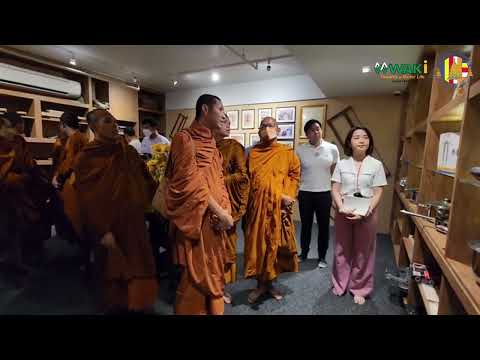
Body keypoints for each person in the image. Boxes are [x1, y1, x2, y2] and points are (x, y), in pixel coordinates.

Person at [73, 109, 159, 314]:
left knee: (138, 264)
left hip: (134, 220)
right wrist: (102, 230)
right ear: (94, 127)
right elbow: (87, 199)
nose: (114, 125)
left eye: (114, 121)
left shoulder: (127, 151)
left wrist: (150, 204)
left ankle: (137, 305)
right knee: (113, 271)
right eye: (107, 121)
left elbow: (145, 180)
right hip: (108, 225)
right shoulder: (86, 158)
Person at [165, 94, 233, 315]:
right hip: (195, 220)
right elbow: (191, 183)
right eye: (220, 109)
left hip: (215, 221)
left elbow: (218, 180)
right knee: (194, 274)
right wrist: (219, 211)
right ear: (205, 109)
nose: (223, 114)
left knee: (213, 271)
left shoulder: (212, 143)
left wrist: (226, 210)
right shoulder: (184, 139)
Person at [243, 116, 300, 304]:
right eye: (263, 126)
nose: (267, 128)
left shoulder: (287, 153)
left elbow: (294, 175)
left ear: (279, 130)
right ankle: (261, 284)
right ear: (259, 131)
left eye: (271, 125)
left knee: (275, 245)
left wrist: (287, 195)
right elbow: (246, 180)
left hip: (278, 208)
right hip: (256, 209)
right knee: (257, 246)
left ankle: (271, 283)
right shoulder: (252, 153)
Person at [331, 126, 387, 305]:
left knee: (364, 252)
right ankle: (340, 284)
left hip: (367, 214)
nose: (361, 140)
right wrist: (340, 207)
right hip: (344, 213)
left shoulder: (376, 165)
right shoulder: (341, 164)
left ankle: (360, 288)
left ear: (369, 142)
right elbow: (335, 188)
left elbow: (378, 192)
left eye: (365, 137)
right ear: (350, 142)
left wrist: (366, 212)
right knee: (341, 249)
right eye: (356, 137)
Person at [0, 115, 52, 275]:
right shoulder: (15, 142)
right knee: (11, 228)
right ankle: (15, 261)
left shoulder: (17, 142)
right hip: (10, 191)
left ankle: (15, 261)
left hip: (13, 192)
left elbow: (29, 165)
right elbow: (27, 166)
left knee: (12, 228)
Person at [212, 113, 250, 304]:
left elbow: (242, 176)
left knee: (226, 247)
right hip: (206, 203)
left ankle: (221, 287)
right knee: (208, 248)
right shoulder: (203, 146)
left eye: (228, 121)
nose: (228, 124)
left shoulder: (234, 147)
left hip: (227, 204)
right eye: (223, 121)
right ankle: (208, 286)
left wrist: (217, 181)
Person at [295, 119, 339, 268]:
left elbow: (335, 173)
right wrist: (295, 190)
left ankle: (322, 257)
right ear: (307, 134)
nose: (316, 132)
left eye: (318, 129)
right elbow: (296, 173)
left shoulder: (332, 148)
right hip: (305, 193)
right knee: (305, 225)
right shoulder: (300, 150)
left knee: (323, 226)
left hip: (324, 193)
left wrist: (337, 192)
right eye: (312, 130)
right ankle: (304, 253)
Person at [51, 112, 89, 247]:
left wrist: (58, 177)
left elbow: (70, 162)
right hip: (79, 183)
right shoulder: (80, 137)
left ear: (63, 125)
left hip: (73, 184)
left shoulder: (74, 138)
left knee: (75, 217)